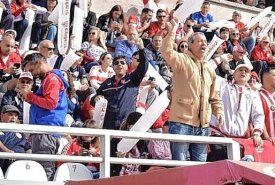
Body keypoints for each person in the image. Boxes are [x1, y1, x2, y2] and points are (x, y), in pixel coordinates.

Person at [161, 19, 222, 162]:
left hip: (203, 126)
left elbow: (214, 97)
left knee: (199, 170)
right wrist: (172, 31)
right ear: (190, 45)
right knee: (181, 169)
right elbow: (166, 51)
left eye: (205, 42)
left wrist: (218, 111)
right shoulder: (182, 60)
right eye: (200, 41)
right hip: (182, 122)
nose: (204, 44)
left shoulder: (209, 69)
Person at [17, 53, 69, 180]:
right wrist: (32, 99)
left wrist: (30, 96)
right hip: (46, 130)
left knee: (44, 172)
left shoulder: (51, 79)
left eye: (31, 70)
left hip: (45, 131)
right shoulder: (50, 78)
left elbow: (51, 103)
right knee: (43, 170)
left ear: (39, 63)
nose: (31, 74)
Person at [208, 61, 264, 161]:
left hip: (240, 140)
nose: (243, 72)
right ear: (234, 73)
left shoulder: (253, 93)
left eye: (246, 71)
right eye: (240, 70)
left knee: (234, 173)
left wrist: (257, 133)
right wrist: (219, 59)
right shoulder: (223, 84)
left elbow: (258, 115)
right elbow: (207, 69)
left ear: (249, 76)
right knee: (220, 170)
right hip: (219, 136)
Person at [96, 51, 149, 130]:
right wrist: (96, 98)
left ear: (127, 67)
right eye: (116, 63)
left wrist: (141, 48)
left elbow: (143, 65)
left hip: (126, 123)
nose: (119, 64)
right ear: (113, 67)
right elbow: (95, 98)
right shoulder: (106, 83)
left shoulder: (133, 79)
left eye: (122, 63)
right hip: (109, 124)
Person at [0, 105, 29, 172]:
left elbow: (28, 147)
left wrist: (29, 158)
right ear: (2, 116)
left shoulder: (21, 132)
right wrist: (7, 151)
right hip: (5, 161)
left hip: (22, 162)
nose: (13, 117)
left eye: (16, 116)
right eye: (10, 115)